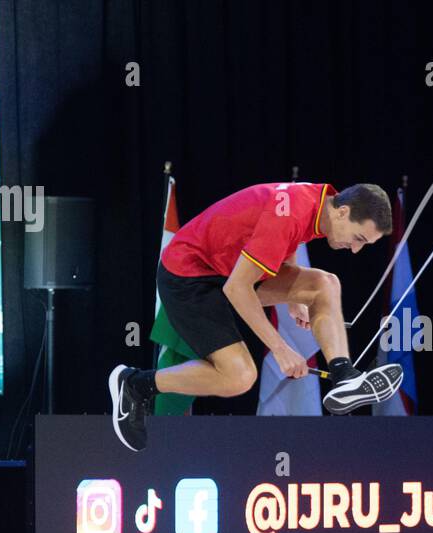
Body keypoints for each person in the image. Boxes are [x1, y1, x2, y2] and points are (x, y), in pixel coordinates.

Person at [109, 181, 403, 451]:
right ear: (343, 212)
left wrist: (291, 294)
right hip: (189, 277)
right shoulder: (292, 213)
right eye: (358, 238)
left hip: (227, 268)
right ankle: (136, 383)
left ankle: (343, 376)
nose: (355, 250)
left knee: (324, 285)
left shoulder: (319, 200)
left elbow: (287, 238)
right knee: (240, 377)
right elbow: (238, 289)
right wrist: (281, 349)